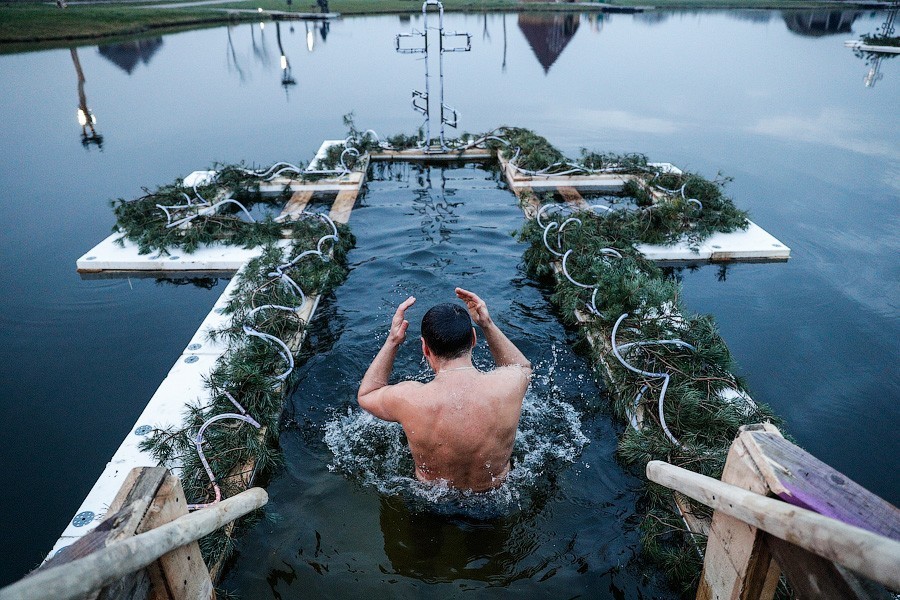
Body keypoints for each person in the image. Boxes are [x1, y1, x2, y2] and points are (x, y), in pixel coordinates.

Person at [357, 288, 532, 492]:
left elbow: (367, 393)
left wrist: (393, 341)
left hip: (433, 499)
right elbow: (522, 366)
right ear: (474, 338)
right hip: (497, 495)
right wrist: (487, 324)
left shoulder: (408, 398)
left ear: (425, 348)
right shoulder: (508, 385)